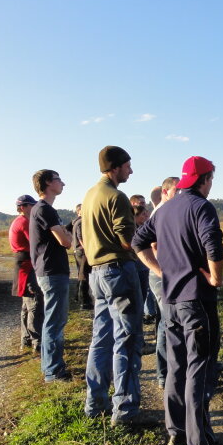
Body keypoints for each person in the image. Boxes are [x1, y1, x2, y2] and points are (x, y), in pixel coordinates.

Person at [133, 156, 223, 445]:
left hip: (170, 301)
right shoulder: (201, 207)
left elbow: (138, 241)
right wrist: (216, 278)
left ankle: (176, 431)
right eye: (211, 179)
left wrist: (160, 271)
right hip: (197, 301)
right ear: (204, 179)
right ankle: (200, 443)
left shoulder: (165, 209)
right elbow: (213, 245)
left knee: (177, 366)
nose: (211, 185)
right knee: (200, 367)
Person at [82, 146, 145, 426]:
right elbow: (126, 241)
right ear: (115, 167)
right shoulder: (116, 196)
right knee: (128, 340)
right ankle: (125, 410)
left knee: (102, 337)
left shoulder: (91, 194)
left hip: (96, 273)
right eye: (128, 165)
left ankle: (95, 402)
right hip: (119, 270)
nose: (131, 170)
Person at [30, 170, 73, 382]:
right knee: (55, 322)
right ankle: (53, 371)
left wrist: (67, 234)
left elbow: (66, 237)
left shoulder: (45, 209)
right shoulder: (45, 209)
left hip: (51, 271)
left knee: (54, 320)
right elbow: (66, 241)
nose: (63, 183)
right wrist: (67, 234)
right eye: (58, 179)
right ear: (48, 183)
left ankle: (50, 367)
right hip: (52, 271)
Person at [148, 176, 179, 389]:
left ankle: (170, 371)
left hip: (168, 273)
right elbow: (153, 244)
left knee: (167, 321)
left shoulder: (168, 211)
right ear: (165, 192)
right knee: (167, 322)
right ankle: (164, 374)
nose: (180, 195)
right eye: (177, 191)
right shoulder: (161, 212)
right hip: (162, 274)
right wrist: (163, 270)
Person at [8, 194, 43, 353]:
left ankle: (26, 339)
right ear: (22, 207)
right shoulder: (24, 222)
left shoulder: (19, 221)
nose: (34, 207)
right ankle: (37, 342)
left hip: (23, 264)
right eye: (31, 205)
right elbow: (36, 241)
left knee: (26, 305)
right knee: (34, 303)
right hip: (26, 265)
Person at [69, 204, 93, 310]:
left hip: (77, 250)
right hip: (83, 251)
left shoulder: (74, 222)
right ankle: (85, 302)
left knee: (81, 274)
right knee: (84, 276)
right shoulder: (82, 222)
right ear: (79, 211)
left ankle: (77, 297)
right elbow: (81, 237)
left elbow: (67, 231)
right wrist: (88, 250)